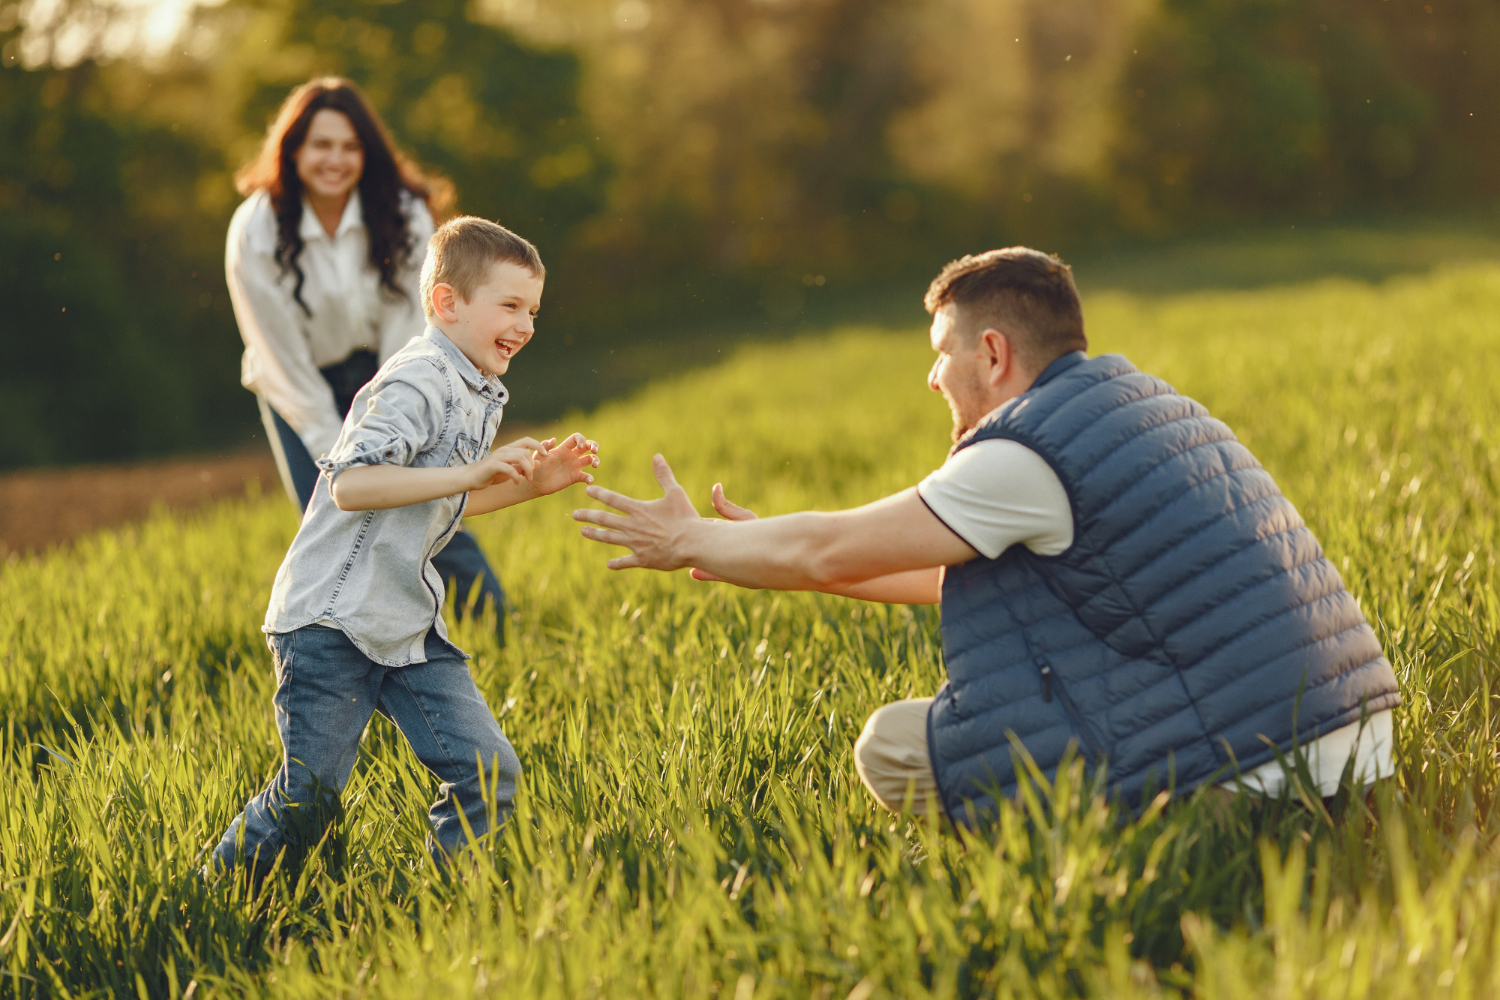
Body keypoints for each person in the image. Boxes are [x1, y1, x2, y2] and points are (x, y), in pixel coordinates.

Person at [571, 248, 1402, 823]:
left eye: (943, 352)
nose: (933, 375)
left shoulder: (1025, 453)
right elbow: (932, 575)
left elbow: (828, 545)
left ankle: (1114, 855)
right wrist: (763, 552)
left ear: (994, 353)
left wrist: (688, 543)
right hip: (1352, 743)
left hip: (1257, 766)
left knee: (893, 744)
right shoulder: (1140, 407)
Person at [209, 217, 600, 877]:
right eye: (509, 305)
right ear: (448, 303)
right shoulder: (416, 379)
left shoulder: (478, 390)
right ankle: (207, 895)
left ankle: (444, 904)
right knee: (309, 796)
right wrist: (472, 471)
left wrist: (532, 487)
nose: (527, 324)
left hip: (405, 624)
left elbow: (441, 502)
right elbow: (352, 485)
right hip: (330, 620)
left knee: (488, 772)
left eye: (533, 309)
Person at [226, 76, 508, 639]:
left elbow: (414, 325)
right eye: (320, 144)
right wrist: (339, 449)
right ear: (293, 150)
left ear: (368, 152)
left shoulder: (404, 214)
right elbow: (278, 354)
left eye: (350, 146)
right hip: (298, 387)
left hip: (392, 371)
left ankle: (500, 627)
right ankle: (354, 643)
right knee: (334, 515)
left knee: (426, 496)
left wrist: (393, 419)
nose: (335, 159)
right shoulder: (255, 229)